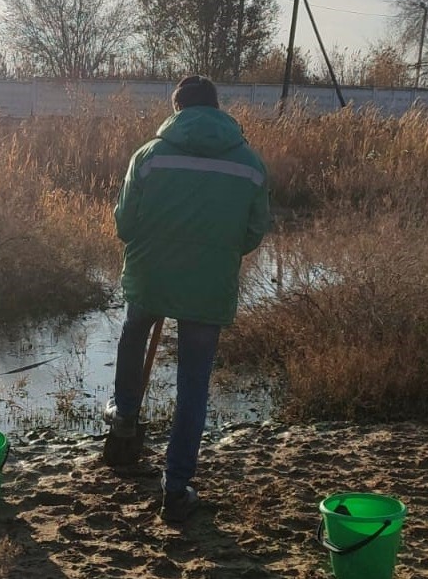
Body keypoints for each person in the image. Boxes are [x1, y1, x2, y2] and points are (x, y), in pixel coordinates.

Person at [107, 74, 270, 522]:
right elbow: (253, 232)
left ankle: (123, 415)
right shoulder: (250, 163)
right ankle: (175, 487)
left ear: (176, 110)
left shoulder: (149, 156)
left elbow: (124, 224)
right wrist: (215, 250)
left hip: (152, 276)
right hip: (208, 286)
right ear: (217, 109)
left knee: (133, 332)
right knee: (193, 384)